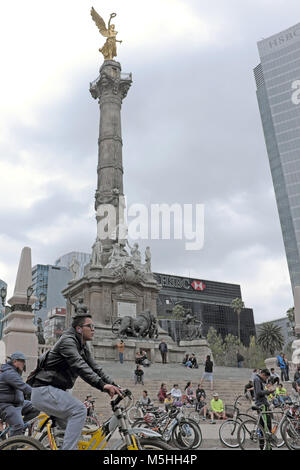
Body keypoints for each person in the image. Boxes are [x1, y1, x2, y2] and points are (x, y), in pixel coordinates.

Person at [30, 311, 122, 450]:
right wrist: (102, 386)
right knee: (79, 410)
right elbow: (80, 366)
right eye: (90, 326)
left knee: (73, 433)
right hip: (45, 390)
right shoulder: (68, 341)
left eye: (94, 327)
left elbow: (95, 368)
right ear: (79, 329)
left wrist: (115, 385)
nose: (93, 330)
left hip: (55, 392)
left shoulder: (82, 345)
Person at [0, 352, 39, 436]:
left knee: (36, 406)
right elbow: (24, 387)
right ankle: (11, 446)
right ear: (15, 362)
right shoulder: (9, 373)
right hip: (5, 405)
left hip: (17, 404)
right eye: (21, 361)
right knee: (18, 424)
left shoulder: (14, 372)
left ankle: (20, 431)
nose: (23, 364)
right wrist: (41, 394)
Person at [253, 368, 275, 449]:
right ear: (263, 374)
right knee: (266, 426)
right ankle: (265, 446)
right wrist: (269, 391)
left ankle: (265, 446)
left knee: (265, 426)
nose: (265, 379)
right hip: (262, 404)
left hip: (264, 404)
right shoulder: (257, 379)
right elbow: (258, 392)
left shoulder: (259, 380)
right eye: (266, 377)